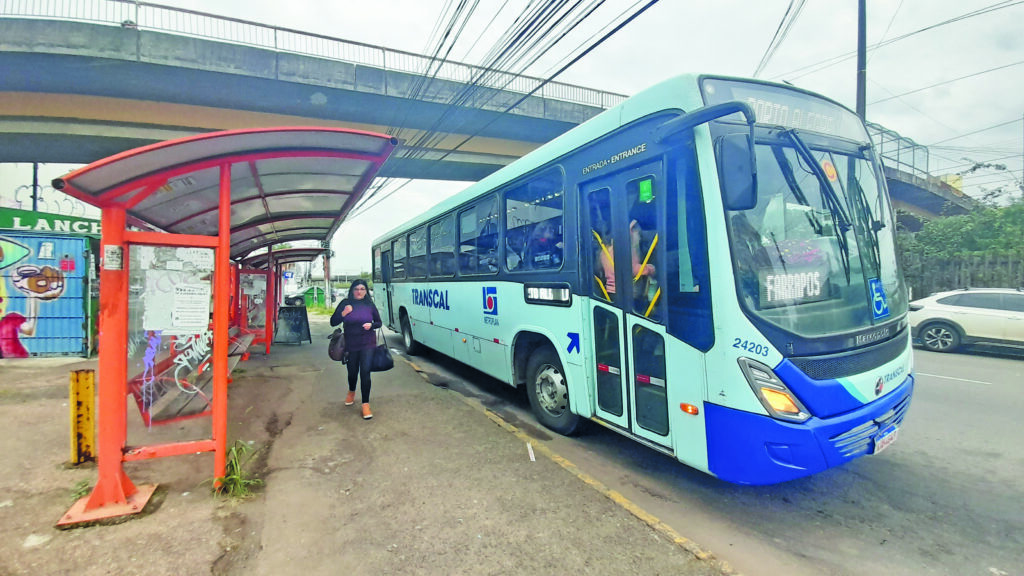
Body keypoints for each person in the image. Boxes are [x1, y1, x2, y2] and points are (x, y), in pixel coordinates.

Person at [330, 279, 382, 420]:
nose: (359, 291)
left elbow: (379, 322)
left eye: (362, 289)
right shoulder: (345, 304)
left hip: (368, 343)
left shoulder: (369, 305)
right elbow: (333, 321)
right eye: (356, 289)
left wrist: (371, 326)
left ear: (366, 291)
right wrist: (343, 314)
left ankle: (365, 404)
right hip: (351, 344)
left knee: (365, 373)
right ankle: (351, 390)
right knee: (352, 372)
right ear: (352, 290)